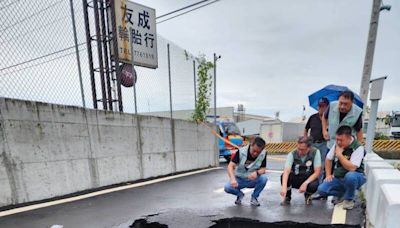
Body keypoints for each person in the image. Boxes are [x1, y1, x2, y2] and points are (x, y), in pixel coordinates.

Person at [317, 125, 366, 210]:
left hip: (356, 176)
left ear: (349, 138)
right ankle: (344, 194)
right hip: (339, 177)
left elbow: (352, 168)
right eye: (337, 139)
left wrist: (339, 155)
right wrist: (328, 175)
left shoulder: (358, 148)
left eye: (341, 140)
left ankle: (349, 199)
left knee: (350, 176)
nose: (338, 142)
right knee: (322, 190)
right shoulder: (336, 145)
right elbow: (328, 159)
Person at [224, 136, 268, 206]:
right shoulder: (241, 152)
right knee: (227, 187)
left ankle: (254, 197)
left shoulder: (263, 153)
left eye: (258, 152)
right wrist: (232, 179)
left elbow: (263, 169)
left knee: (264, 179)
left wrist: (257, 173)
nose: (255, 154)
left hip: (252, 180)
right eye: (254, 151)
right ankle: (240, 195)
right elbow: (230, 166)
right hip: (239, 179)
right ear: (251, 145)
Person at [280, 136, 321, 206]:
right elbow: (286, 171)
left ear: (309, 148)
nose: (299, 151)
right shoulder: (292, 154)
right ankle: (287, 196)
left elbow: (317, 172)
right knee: (284, 176)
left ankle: (308, 195)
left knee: (314, 185)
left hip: (308, 178)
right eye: (298, 148)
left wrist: (305, 183)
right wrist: (284, 187)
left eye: (302, 149)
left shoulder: (315, 152)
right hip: (296, 177)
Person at [304, 97, 329, 184]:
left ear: (327, 107)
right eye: (319, 106)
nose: (321, 108)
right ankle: (310, 183)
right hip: (312, 144)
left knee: (321, 165)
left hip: (323, 144)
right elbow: (306, 129)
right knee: (309, 163)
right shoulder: (312, 117)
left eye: (323, 106)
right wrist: (305, 140)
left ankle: (319, 185)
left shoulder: (329, 118)